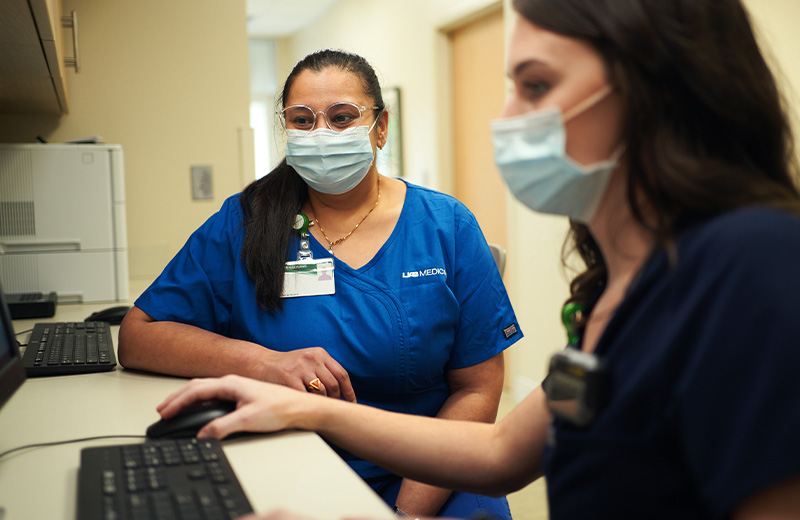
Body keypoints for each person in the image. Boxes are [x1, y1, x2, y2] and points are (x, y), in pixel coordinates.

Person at [155, 0, 800, 518]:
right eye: (511, 85)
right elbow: (502, 454)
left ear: (659, 91)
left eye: (537, 84)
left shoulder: (749, 264)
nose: (506, 118)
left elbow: (481, 401)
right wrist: (304, 407)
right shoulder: (617, 294)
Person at [118, 49, 522, 519]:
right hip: (286, 457)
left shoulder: (446, 225)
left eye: (342, 117)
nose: (321, 134)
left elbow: (478, 390)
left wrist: (405, 513)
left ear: (381, 127)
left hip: (430, 468)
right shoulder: (246, 221)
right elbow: (138, 335)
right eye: (303, 120)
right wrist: (262, 363)